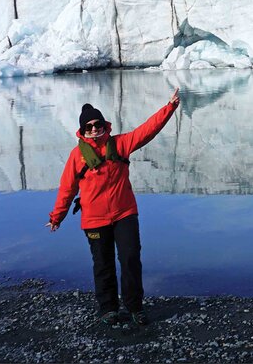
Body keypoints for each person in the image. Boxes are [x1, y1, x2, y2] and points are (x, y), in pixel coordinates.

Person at [46, 88, 181, 327]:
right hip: (94, 219)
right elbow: (67, 189)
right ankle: (108, 309)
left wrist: (168, 107)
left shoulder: (119, 144)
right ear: (82, 130)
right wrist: (57, 217)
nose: (95, 129)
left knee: (130, 259)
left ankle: (134, 307)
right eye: (89, 126)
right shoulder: (77, 156)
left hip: (124, 213)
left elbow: (147, 131)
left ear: (104, 124)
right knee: (103, 264)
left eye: (97, 124)